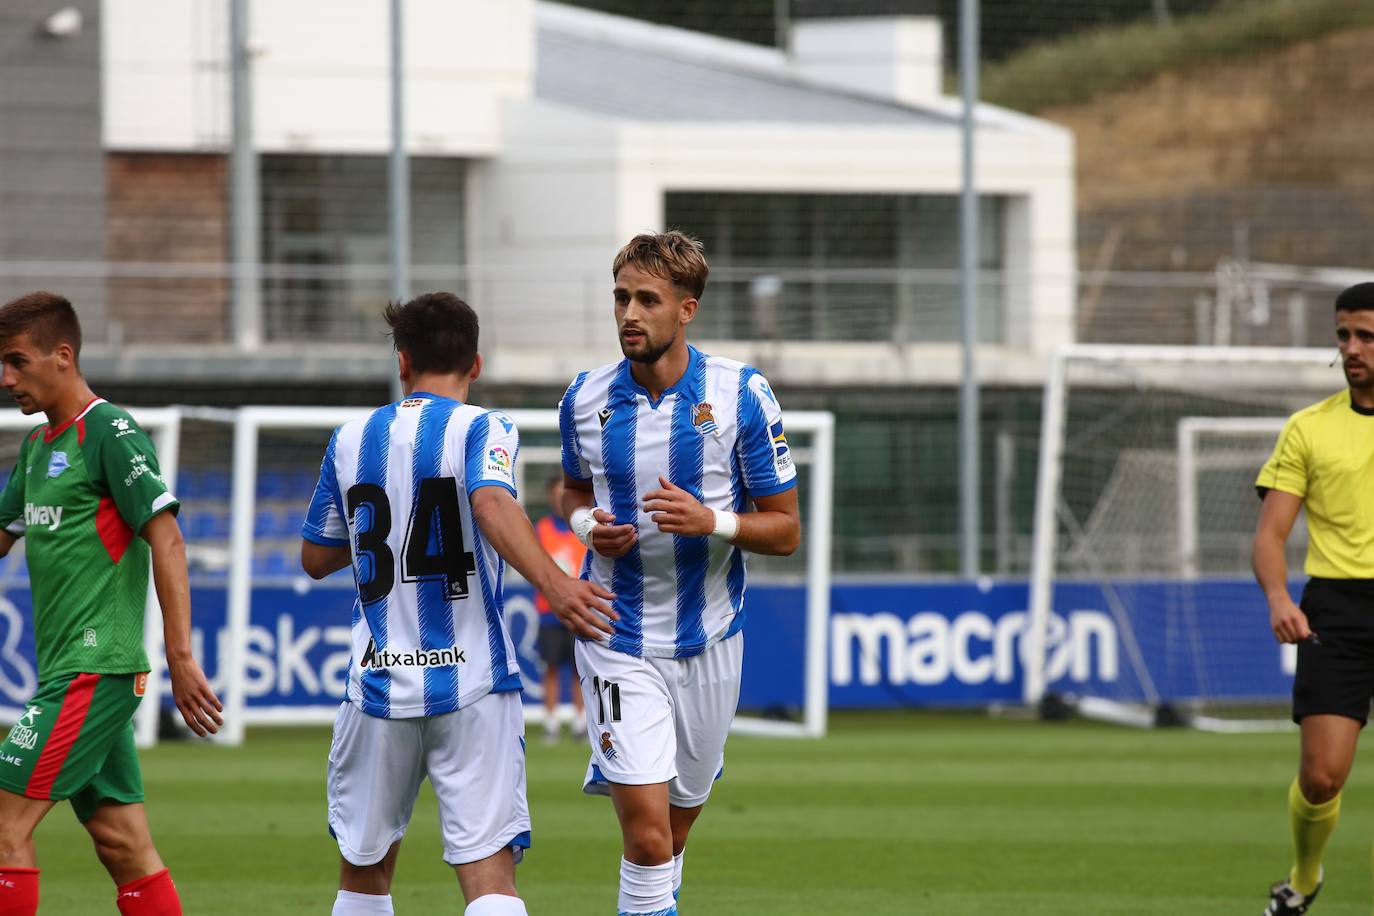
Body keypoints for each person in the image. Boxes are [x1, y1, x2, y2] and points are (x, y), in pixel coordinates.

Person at [300, 292, 616, 916]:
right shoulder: (484, 427)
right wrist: (556, 585)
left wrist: (385, 529)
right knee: (489, 879)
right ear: (475, 364)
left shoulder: (351, 438)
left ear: (401, 361)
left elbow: (315, 556)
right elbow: (491, 502)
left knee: (363, 877)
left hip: (377, 683)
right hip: (473, 683)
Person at [557, 232, 801, 916]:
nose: (629, 313)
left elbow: (786, 530)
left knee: (675, 830)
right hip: (616, 632)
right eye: (621, 298)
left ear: (687, 309)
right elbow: (571, 490)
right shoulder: (584, 398)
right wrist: (587, 526)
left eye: (647, 299)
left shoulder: (741, 394)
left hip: (711, 638)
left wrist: (712, 521)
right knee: (646, 836)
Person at [0, 291, 222, 916]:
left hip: (94, 670)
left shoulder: (109, 432)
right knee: (122, 844)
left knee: (5, 826)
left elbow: (167, 538)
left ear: (62, 355)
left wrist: (180, 655)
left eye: (17, 362)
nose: (7, 378)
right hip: (71, 670)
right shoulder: (38, 448)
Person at [1255, 281, 1374, 915]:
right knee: (1322, 777)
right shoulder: (1309, 428)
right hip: (1337, 611)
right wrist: (1279, 597)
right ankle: (1303, 880)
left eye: (1367, 337)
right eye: (1344, 336)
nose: (1352, 349)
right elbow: (1269, 535)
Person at [533, 475, 588, 743]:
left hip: (580, 609)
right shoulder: (541, 528)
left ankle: (581, 722)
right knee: (551, 668)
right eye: (554, 494)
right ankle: (551, 723)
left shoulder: (583, 526)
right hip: (549, 611)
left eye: (561, 493)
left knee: (580, 669)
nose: (558, 499)